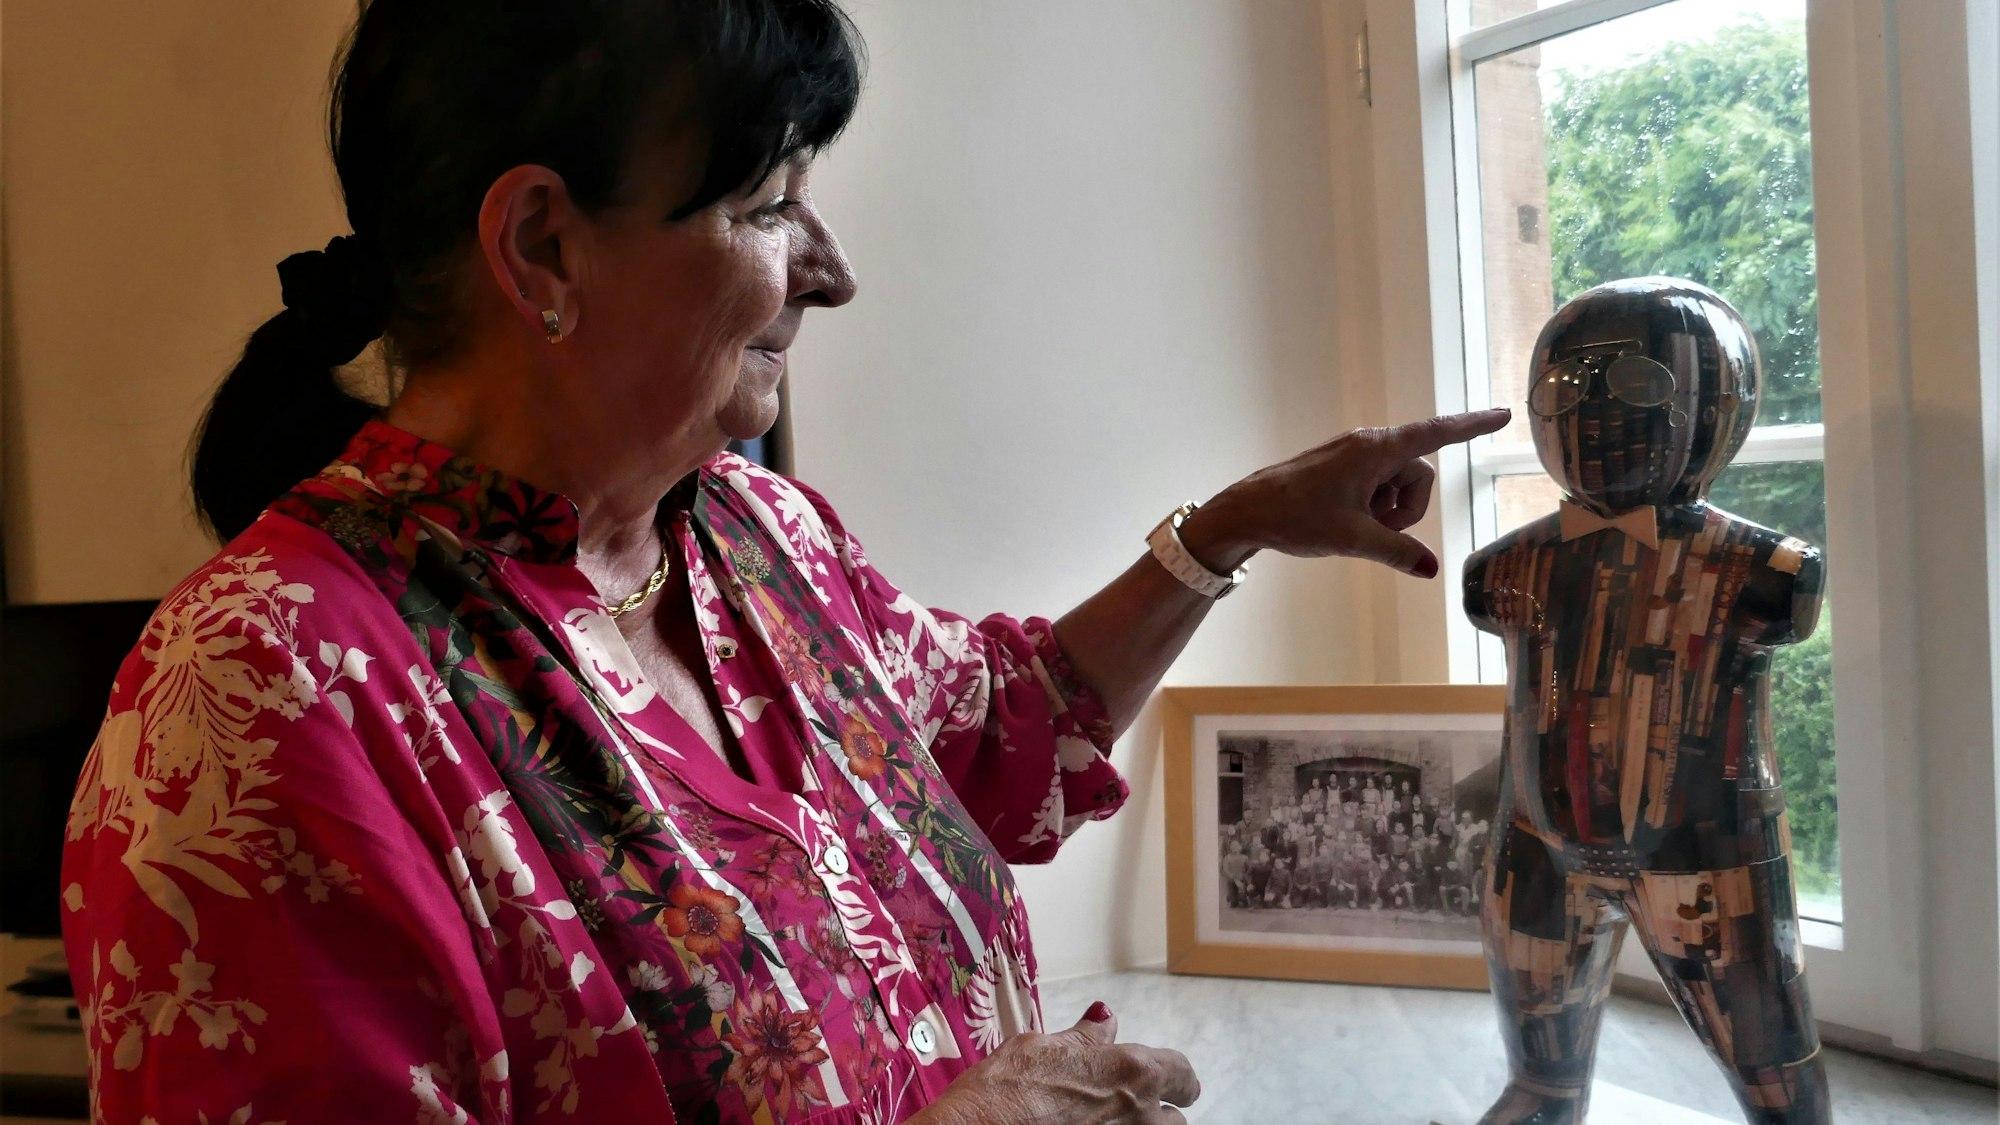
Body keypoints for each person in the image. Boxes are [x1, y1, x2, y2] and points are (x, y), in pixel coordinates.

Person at [57, 3, 1510, 1122]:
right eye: (766, 206)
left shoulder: (755, 531)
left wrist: (1231, 526)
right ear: (542, 247)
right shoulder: (259, 701)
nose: (830, 268)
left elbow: (1000, 728)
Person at [1222, 840, 1250, 909]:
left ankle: (1243, 896)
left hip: (1242, 881)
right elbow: (1225, 871)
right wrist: (1235, 880)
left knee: (1245, 903)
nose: (1235, 848)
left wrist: (1245, 880)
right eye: (1233, 846)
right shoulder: (1227, 858)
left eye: (1236, 846)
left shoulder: (1245, 858)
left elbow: (1249, 870)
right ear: (1230, 848)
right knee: (1233, 904)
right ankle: (1232, 897)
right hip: (1232, 881)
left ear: (1240, 847)